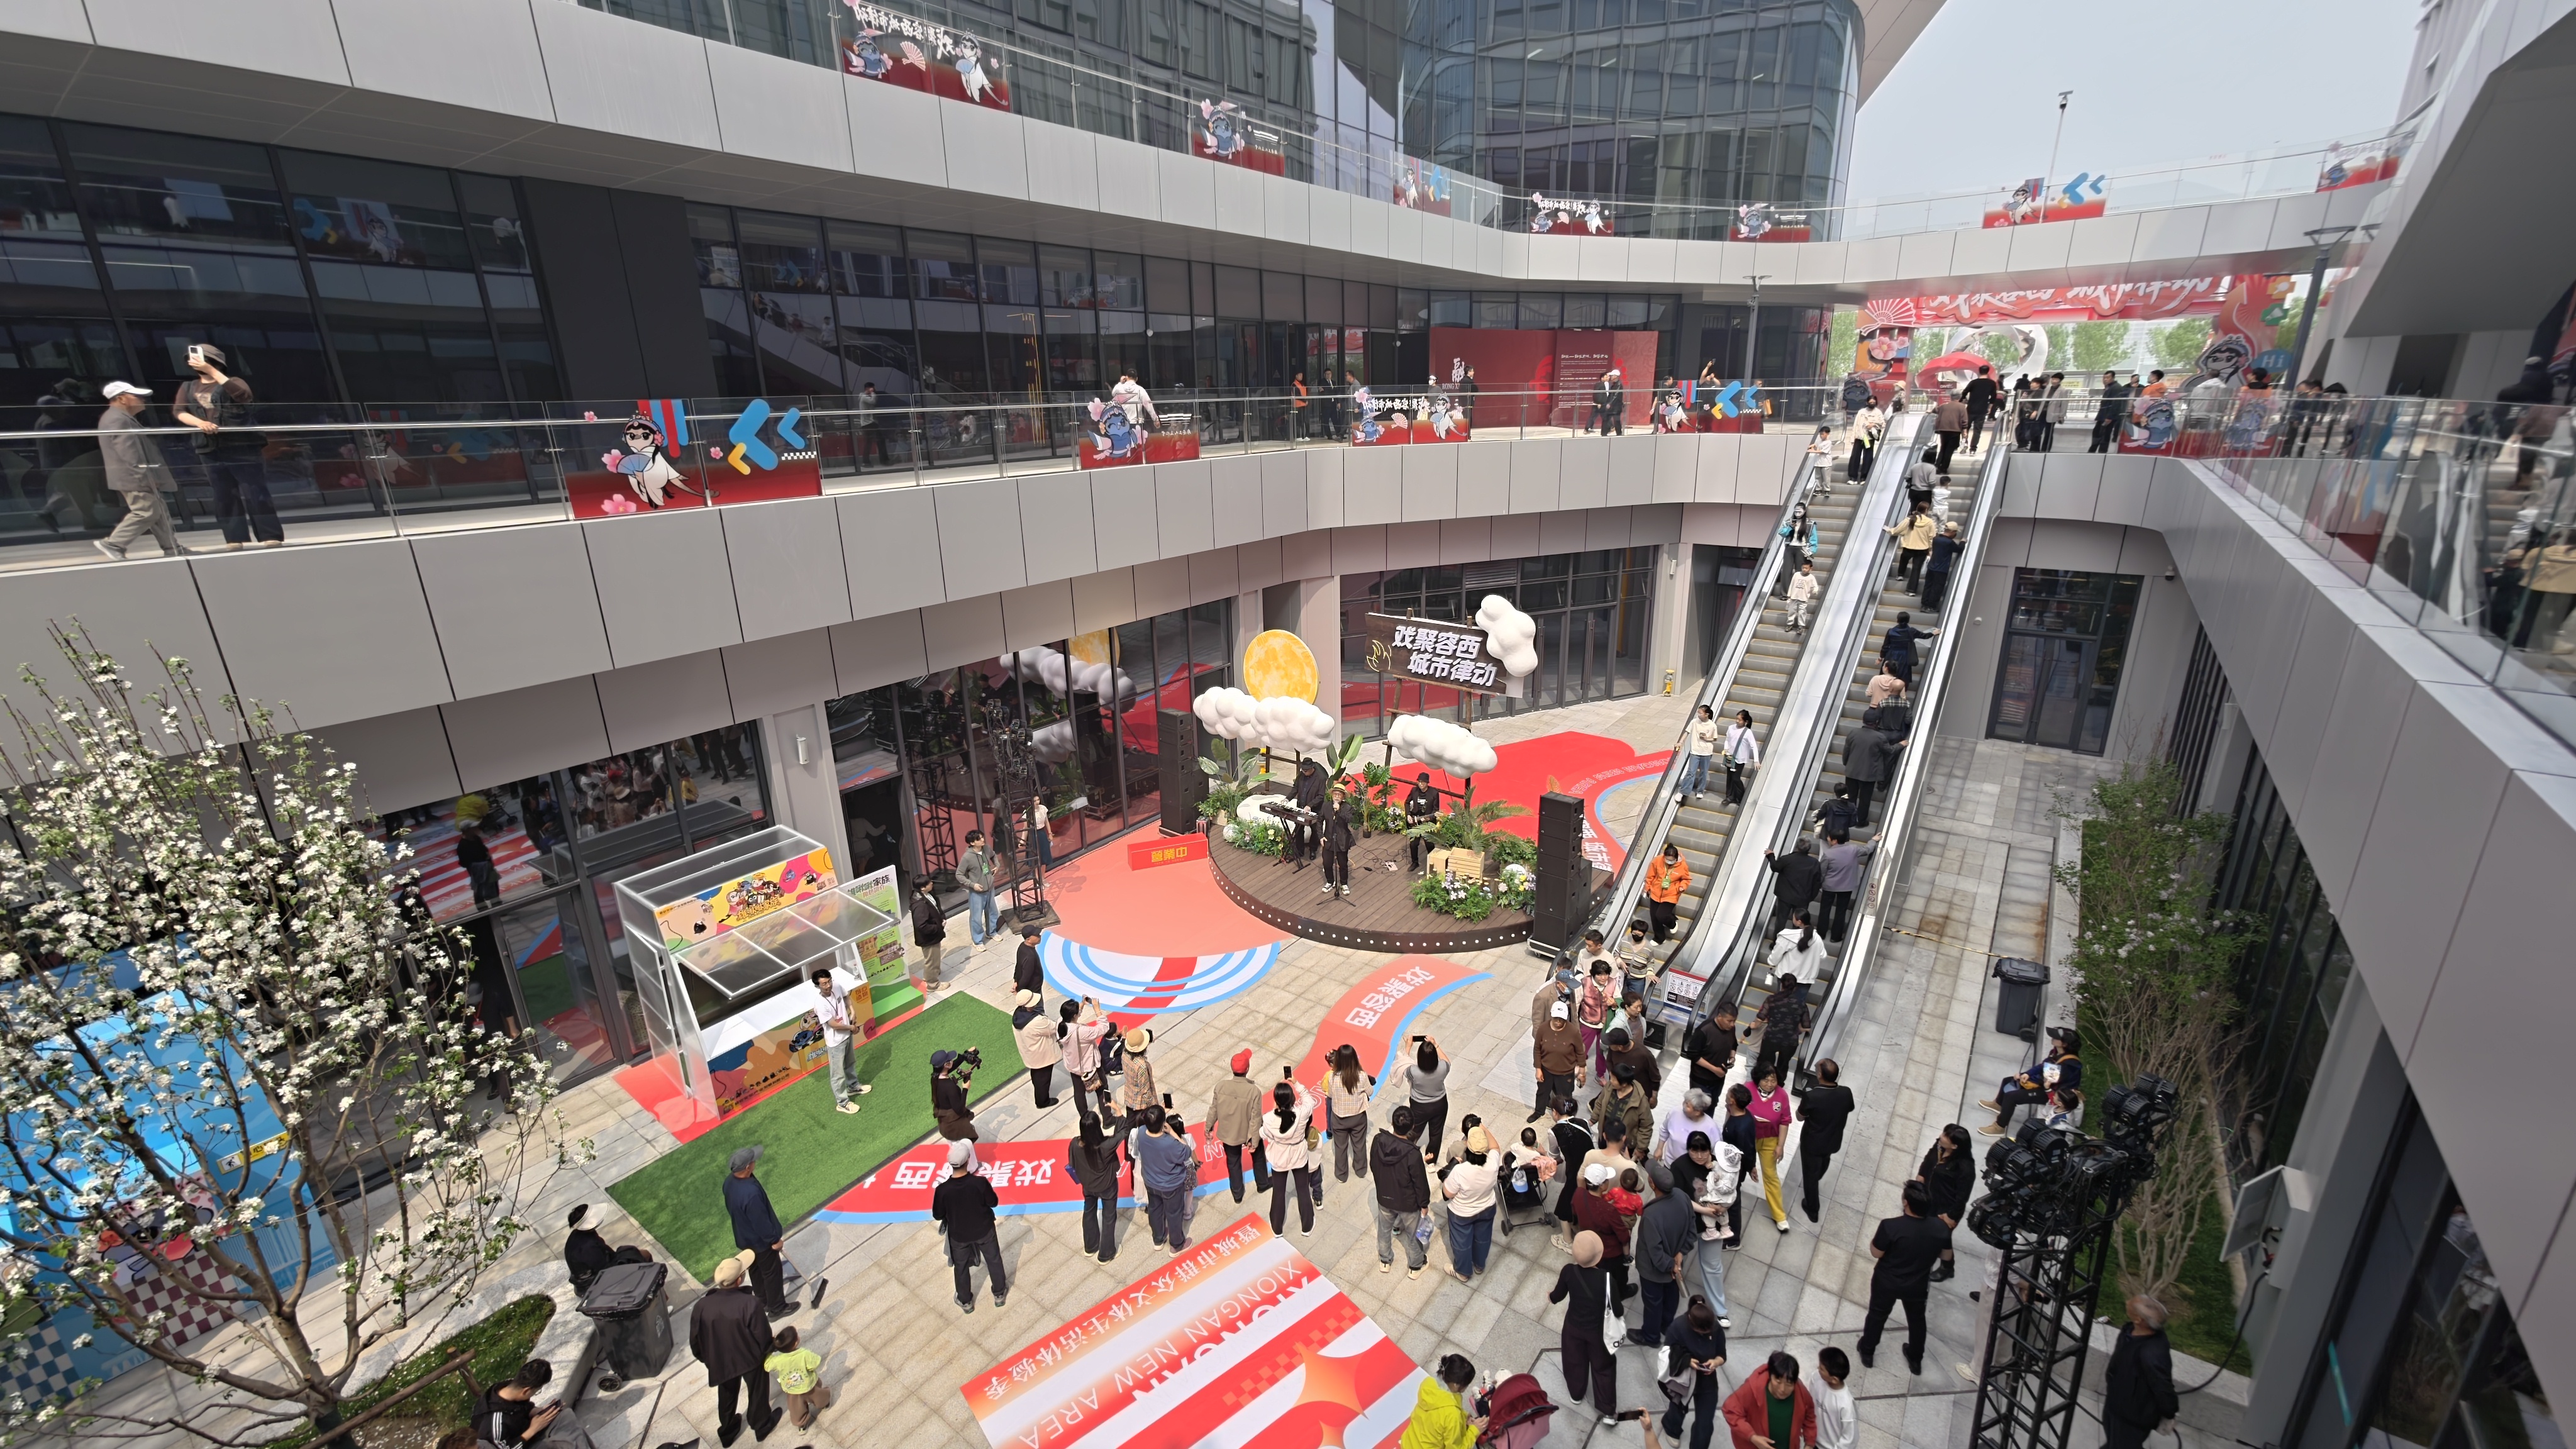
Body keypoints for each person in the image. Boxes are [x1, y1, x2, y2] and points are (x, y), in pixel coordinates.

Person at [170, 343, 281, 548]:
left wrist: (213, 372)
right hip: (210, 447)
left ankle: (269, 534)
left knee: (255, 490)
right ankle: (234, 538)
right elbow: (179, 411)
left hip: (242, 445)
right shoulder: (188, 387)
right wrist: (200, 423)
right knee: (223, 494)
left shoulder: (234, 382)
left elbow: (244, 397)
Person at [688, 1252, 780, 1443]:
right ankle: (761, 1425)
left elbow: (695, 1341)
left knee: (727, 1394)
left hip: (720, 1361)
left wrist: (707, 1360)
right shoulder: (750, 1303)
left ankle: (728, 1431)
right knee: (757, 1391)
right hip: (750, 1359)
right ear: (739, 1280)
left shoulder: (702, 1306)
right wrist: (770, 1348)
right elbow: (763, 1336)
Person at [1859, 1180, 1950, 1372]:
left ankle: (1868, 1351)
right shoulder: (1941, 1228)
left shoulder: (1891, 1226)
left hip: (1887, 1282)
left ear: (1906, 1203)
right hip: (1917, 1284)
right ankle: (1915, 1359)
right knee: (1917, 1320)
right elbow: (1946, 1256)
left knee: (1877, 1315)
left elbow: (1876, 1253)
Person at [93, 382, 187, 560]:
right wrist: (144, 476)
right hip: (134, 477)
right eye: (137, 396)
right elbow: (129, 453)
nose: (143, 400)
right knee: (146, 512)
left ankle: (172, 548)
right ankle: (114, 543)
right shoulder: (118, 419)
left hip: (135, 475)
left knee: (158, 512)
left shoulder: (119, 417)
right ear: (122, 399)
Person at [933, 1139, 1008, 1311]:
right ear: (968, 1161)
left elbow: (938, 1214)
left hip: (959, 1236)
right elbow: (993, 1202)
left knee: (961, 1267)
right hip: (985, 1230)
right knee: (994, 1260)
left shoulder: (943, 1190)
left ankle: (965, 1301)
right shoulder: (979, 1183)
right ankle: (999, 1294)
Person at [1631, 1162, 1697, 1347]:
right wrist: (1681, 1255)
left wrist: (1671, 1266)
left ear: (1652, 1184)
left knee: (1653, 1303)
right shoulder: (1683, 1197)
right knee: (1671, 1296)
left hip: (1654, 1272)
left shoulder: (1651, 1215)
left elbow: (1656, 1254)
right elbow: (1692, 1231)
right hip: (1676, 1266)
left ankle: (1651, 1337)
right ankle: (1666, 1326)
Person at [1552, 1230, 1617, 1416]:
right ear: (1598, 1256)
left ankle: (1576, 1394)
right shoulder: (1606, 1278)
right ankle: (1607, 1409)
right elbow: (1617, 1309)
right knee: (1603, 1367)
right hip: (1598, 1331)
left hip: (1573, 1327)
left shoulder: (1568, 1271)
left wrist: (1550, 1296)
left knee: (1574, 1361)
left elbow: (1557, 1296)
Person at [2102, 1296, 2180, 1449]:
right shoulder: (2130, 1330)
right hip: (2115, 1403)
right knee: (2114, 1441)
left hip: (2131, 1417)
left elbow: (2163, 1387)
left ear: (2139, 1320)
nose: (2127, 1302)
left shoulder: (2152, 1355)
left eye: (2131, 1305)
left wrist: (2169, 1413)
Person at [723, 1146, 791, 1319]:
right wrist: (774, 1240)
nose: (755, 1162)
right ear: (747, 1167)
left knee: (755, 1270)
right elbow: (760, 1221)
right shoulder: (751, 1194)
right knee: (771, 1273)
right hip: (761, 1242)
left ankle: (762, 1301)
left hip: (744, 1238)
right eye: (753, 1161)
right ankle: (777, 1308)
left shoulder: (729, 1183)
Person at [1660, 1296, 1731, 1449]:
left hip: (1707, 1381)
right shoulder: (1678, 1327)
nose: (1705, 1333)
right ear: (1691, 1322)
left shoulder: (1715, 1327)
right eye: (1701, 1331)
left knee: (1705, 1424)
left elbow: (1722, 1355)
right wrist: (1687, 1361)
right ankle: (1671, 1427)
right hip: (1684, 1378)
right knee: (1678, 1408)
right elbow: (1668, 1352)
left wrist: (1716, 1362)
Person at [1980, 1025, 2080, 1134]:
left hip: (2052, 1094)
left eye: (2056, 1037)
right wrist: (2027, 1074)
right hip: (2046, 1084)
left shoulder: (2068, 1065)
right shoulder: (2057, 1052)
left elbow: (2047, 1081)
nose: (2052, 1038)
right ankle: (1999, 1105)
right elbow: (2044, 1066)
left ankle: (1999, 1127)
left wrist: (2029, 1079)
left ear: (2064, 1044)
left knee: (2011, 1097)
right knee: (2008, 1081)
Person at [1373, 1105, 1433, 1275]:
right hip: (1407, 1203)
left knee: (1384, 1231)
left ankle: (1385, 1260)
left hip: (1385, 1197)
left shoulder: (1378, 1140)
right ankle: (1416, 1265)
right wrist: (1424, 1204)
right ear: (1412, 1126)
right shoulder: (1412, 1153)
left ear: (1393, 1123)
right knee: (1413, 1235)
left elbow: (1374, 1165)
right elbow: (1420, 1183)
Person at [1794, 1059, 1855, 1223]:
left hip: (1812, 1143)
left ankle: (1812, 1209)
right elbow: (1849, 1108)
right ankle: (1818, 1174)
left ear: (1820, 1075)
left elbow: (1800, 1117)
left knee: (1810, 1176)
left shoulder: (1812, 1096)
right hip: (1833, 1140)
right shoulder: (1846, 1092)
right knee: (1825, 1160)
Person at [1572, 1161, 1635, 1319]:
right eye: (1606, 1180)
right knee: (1618, 1277)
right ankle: (1621, 1293)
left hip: (1590, 1247)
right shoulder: (1608, 1210)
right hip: (1610, 1253)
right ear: (1602, 1186)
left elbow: (1575, 1213)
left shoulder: (1579, 1194)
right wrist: (1627, 1256)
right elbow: (1623, 1237)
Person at [1205, 1047, 1269, 1201]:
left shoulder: (1221, 1086)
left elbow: (1213, 1109)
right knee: (1259, 1157)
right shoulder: (1254, 1091)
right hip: (1248, 1133)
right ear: (1247, 1069)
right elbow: (1255, 1119)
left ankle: (1237, 1194)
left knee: (1233, 1163)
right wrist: (1254, 1142)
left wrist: (1208, 1127)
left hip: (1229, 1134)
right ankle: (1262, 1184)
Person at [1255, 1080, 1316, 1238]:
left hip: (1279, 1158)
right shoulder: (1302, 1113)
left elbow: (1263, 1133)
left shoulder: (1268, 1118)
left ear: (1276, 1100)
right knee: (1303, 1190)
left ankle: (1277, 1228)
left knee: (1278, 1192)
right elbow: (1309, 1100)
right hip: (1299, 1156)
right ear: (1292, 1099)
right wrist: (1297, 1083)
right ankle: (1307, 1226)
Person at [1439, 1124, 1501, 1280]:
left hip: (1462, 1213)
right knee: (1483, 1238)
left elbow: (1447, 1193)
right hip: (1487, 1207)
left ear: (1468, 1148)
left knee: (1462, 1243)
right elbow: (1495, 1147)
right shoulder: (1493, 1162)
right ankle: (1479, 1265)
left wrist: (1446, 1178)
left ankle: (1463, 1272)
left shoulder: (1460, 1171)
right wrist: (1483, 1128)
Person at [1915, 1124, 1975, 1281]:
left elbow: (1962, 1197)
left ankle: (1947, 1267)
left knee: (1942, 1239)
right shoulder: (1940, 1146)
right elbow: (1929, 1158)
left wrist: (1951, 1216)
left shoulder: (1965, 1168)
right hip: (1930, 1198)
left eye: (1946, 1137)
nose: (1941, 1137)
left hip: (1945, 1209)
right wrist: (1922, 1174)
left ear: (1955, 1146)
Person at [1722, 1352, 1818, 1449]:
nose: (1782, 1389)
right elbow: (1730, 1411)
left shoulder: (1801, 1393)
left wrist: (1809, 1444)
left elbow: (1809, 1418)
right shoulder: (1753, 1389)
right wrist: (1753, 1437)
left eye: (1789, 1384)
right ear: (1770, 1375)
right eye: (1778, 1382)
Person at [809, 967, 871, 1114]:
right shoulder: (820, 1004)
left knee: (850, 1063)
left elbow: (846, 997)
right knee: (837, 1075)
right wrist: (851, 1027)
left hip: (847, 1035)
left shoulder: (836, 986)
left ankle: (853, 1086)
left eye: (829, 981)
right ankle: (842, 1103)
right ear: (818, 986)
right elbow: (833, 1024)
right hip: (835, 1042)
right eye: (824, 984)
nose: (828, 985)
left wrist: (853, 1011)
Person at [1068, 1111, 1123, 1262]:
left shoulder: (1074, 1144)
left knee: (1089, 1211)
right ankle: (1106, 1253)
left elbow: (1072, 1165)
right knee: (1109, 1217)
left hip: (1088, 1186)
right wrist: (1119, 1114)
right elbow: (1123, 1133)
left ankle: (1090, 1247)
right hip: (1107, 1186)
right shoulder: (1105, 1146)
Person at [1399, 1353, 1485, 1449]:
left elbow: (1440, 1412)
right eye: (1467, 1384)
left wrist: (1463, 1416)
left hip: (1408, 1443)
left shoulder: (1429, 1383)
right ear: (1456, 1385)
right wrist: (1475, 1430)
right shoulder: (1452, 1414)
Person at [475, 1360, 569, 1448]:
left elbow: (522, 1406)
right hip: (522, 1443)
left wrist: (539, 1411)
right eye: (536, 1391)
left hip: (526, 1430)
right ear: (526, 1391)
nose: (534, 1395)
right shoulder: (495, 1423)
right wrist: (533, 1429)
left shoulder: (509, 1388)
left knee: (565, 1416)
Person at [1745, 1069, 1793, 1231]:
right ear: (1758, 1079)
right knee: (1737, 1169)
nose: (1770, 1084)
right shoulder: (1747, 1088)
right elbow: (1734, 1108)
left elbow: (1785, 1121)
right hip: (1748, 1137)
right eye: (1766, 1080)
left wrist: (1780, 1146)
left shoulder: (1782, 1095)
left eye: (1773, 1081)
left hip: (1770, 1140)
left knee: (1771, 1176)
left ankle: (1779, 1216)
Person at [1319, 1044, 1375, 1182]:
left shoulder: (1333, 1077)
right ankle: (1361, 1170)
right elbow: (1370, 1092)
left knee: (1340, 1148)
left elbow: (1330, 1095)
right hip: (1358, 1117)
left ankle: (1341, 1175)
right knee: (1359, 1145)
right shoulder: (1362, 1076)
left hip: (1339, 1119)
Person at [1548, 1096, 1596, 1246]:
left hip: (1575, 1174)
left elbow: (1554, 1155)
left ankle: (1567, 1241)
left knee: (1564, 1207)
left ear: (1555, 1113)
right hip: (1592, 1170)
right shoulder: (1584, 1123)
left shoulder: (1554, 1132)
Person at [767, 1324, 833, 1431]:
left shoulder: (778, 1360)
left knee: (796, 1409)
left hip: (792, 1390)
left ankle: (802, 1424)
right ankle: (825, 1404)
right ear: (796, 1343)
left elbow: (767, 1365)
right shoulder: (804, 1354)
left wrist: (768, 1352)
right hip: (809, 1385)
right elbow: (816, 1362)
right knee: (819, 1396)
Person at [1816, 831, 1879, 945]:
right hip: (1846, 887)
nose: (1828, 838)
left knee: (1825, 910)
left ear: (1835, 841)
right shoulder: (1853, 849)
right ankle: (1836, 936)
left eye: (1829, 837)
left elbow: (1822, 872)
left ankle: (1821, 934)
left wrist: (1819, 885)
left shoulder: (1828, 854)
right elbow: (1867, 850)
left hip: (1829, 887)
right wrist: (1873, 840)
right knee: (1841, 911)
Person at [1841, 710, 1899, 828]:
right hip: (1869, 774)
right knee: (1865, 799)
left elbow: (1846, 751)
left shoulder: (1853, 733)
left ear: (1863, 720)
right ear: (1877, 722)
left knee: (1851, 796)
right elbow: (1890, 751)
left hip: (1852, 771)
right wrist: (1901, 745)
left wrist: (1847, 763)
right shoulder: (1879, 737)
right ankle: (1861, 821)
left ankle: (1849, 819)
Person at [1532, 999, 1586, 1123]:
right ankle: (1539, 1111)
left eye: (1561, 1019)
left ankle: (1565, 1118)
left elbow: (1580, 1052)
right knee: (1542, 1092)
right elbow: (1537, 1049)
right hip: (1546, 1070)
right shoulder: (1543, 1028)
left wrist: (1582, 1072)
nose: (1558, 1021)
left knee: (1565, 1097)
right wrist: (1538, 1069)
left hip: (1565, 1072)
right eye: (1556, 1018)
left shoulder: (1573, 1032)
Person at [1060, 998, 1113, 1119]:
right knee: (1103, 1090)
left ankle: (1084, 1118)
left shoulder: (1061, 1025)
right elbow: (1104, 1028)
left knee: (1079, 1093)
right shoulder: (1082, 1031)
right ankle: (1108, 1118)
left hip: (1074, 1066)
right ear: (1074, 1015)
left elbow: (1073, 1015)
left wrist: (1082, 1004)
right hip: (1090, 1066)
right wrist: (1097, 1010)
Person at [1760, 838, 1823, 936]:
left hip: (1785, 897)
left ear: (1797, 847)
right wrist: (1811, 897)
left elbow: (1775, 867)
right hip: (1803, 898)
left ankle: (1777, 941)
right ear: (1809, 849)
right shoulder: (1814, 863)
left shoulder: (1788, 859)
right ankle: (1794, 941)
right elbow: (1818, 882)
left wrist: (1771, 856)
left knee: (1781, 920)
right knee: (1799, 922)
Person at [1404, 1034, 1452, 1163]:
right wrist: (1435, 1045)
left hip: (1419, 1106)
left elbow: (1402, 1064)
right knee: (1436, 1134)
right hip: (1440, 1104)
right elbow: (1447, 1061)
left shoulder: (1413, 1071)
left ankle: (1406, 1155)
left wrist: (1408, 1047)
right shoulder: (1443, 1067)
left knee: (1413, 1132)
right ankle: (1431, 1161)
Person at [1012, 989, 1060, 1110]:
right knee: (1044, 1078)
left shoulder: (1018, 1016)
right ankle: (1043, 1101)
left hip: (1030, 1053)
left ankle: (1040, 1095)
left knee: (1036, 1074)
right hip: (1042, 1054)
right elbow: (1054, 1028)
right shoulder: (1037, 1021)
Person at [958, 830, 999, 947]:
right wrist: (972, 885)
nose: (982, 840)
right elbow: (959, 875)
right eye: (979, 839)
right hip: (977, 892)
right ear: (972, 843)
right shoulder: (967, 858)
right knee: (976, 918)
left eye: (982, 837)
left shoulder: (986, 849)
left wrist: (997, 865)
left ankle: (992, 932)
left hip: (990, 888)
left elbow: (994, 855)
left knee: (993, 912)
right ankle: (978, 941)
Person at [1644, 843, 1690, 945]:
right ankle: (1659, 938)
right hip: (1656, 892)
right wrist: (1647, 888)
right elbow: (1650, 876)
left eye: (1671, 860)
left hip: (1671, 894)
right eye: (1667, 859)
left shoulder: (1682, 866)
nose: (1669, 862)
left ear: (1676, 858)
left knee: (1661, 915)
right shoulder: (1657, 861)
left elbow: (1686, 879)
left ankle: (1672, 923)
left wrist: (1682, 886)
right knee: (1654, 917)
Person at [1886, 504, 1936, 597]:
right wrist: (1930, 549)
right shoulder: (1930, 522)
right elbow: (1931, 537)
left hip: (1908, 546)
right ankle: (1911, 590)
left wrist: (1889, 530)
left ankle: (1900, 574)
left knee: (1904, 559)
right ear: (1926, 510)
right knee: (1916, 570)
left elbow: (1897, 530)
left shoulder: (1909, 520)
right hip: (1922, 549)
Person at [1812, 1346, 1856, 1449]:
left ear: (1834, 1380)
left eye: (1822, 1369)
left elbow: (1849, 1439)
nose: (1818, 1369)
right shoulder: (1816, 1377)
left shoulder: (1846, 1405)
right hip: (1813, 1440)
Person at [908, 879, 947, 995]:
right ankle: (932, 984)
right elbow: (922, 926)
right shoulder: (920, 905)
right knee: (932, 960)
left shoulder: (928, 895)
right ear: (922, 888)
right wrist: (937, 927)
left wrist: (942, 918)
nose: (932, 883)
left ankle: (932, 974)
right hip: (929, 938)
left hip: (934, 935)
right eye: (929, 883)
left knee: (935, 958)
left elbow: (937, 908)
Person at [1319, 784, 1358, 899]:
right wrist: (1320, 836)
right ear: (1332, 795)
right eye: (1335, 794)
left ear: (1343, 797)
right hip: (1328, 839)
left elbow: (1349, 819)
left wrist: (1339, 810)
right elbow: (1319, 821)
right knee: (1327, 863)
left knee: (1343, 864)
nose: (1337, 796)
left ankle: (1344, 884)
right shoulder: (1326, 806)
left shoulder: (1347, 808)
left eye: (1339, 795)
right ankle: (1330, 882)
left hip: (1342, 840)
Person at [1717, 708, 1761, 806]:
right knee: (1730, 778)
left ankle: (1741, 797)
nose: (1737, 721)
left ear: (1746, 721)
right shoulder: (1731, 728)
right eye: (1737, 719)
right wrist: (1726, 750)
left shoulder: (1748, 732)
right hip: (1730, 757)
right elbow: (1727, 740)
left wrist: (1756, 761)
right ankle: (1730, 797)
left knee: (1736, 778)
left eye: (1740, 720)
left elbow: (1754, 746)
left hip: (1740, 759)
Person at [1679, 704, 1721, 798]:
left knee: (1703, 772)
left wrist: (1706, 739)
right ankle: (1684, 791)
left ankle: (1700, 791)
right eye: (1698, 713)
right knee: (1691, 772)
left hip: (1706, 752)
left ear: (1706, 715)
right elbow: (1687, 732)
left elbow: (1715, 738)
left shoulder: (1712, 726)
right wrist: (1680, 742)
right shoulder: (1694, 722)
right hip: (1695, 751)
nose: (1698, 715)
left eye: (1700, 713)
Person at [1921, 521, 1962, 613]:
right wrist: (1963, 542)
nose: (1955, 534)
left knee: (1928, 586)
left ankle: (1924, 604)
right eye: (1955, 532)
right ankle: (1931, 606)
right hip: (1941, 570)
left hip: (1931, 567)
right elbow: (1959, 549)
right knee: (1937, 588)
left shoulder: (1936, 539)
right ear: (1952, 532)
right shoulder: (1949, 543)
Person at [1117, 1027, 1158, 1117]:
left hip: (1130, 1098)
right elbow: (1145, 1091)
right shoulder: (1141, 1065)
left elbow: (1135, 1050)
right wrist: (1154, 1106)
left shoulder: (1125, 1053)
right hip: (1141, 1105)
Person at [1405, 770, 1441, 872]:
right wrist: (1408, 815)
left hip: (1428, 823)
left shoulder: (1434, 793)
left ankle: (1434, 862)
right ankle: (1415, 862)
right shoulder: (1414, 791)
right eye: (1419, 782)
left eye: (1423, 782)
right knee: (1413, 844)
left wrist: (1429, 818)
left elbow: (1436, 810)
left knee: (1429, 843)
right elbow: (1407, 803)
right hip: (1416, 821)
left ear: (1427, 783)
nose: (1420, 784)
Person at [2091, 370, 2131, 453]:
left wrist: (2110, 417)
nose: (2105, 380)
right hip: (2103, 415)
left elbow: (2116, 403)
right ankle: (2093, 450)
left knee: (2104, 434)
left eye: (2108, 378)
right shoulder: (2109, 387)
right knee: (2097, 433)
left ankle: (2101, 452)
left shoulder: (2116, 388)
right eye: (2104, 378)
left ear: (2113, 378)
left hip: (2108, 416)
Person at [1963, 364, 1999, 453]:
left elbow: (1965, 392)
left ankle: (1964, 444)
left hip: (1970, 409)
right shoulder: (1991, 383)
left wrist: (1964, 400)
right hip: (1982, 410)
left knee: (1965, 428)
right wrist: (1990, 407)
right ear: (1988, 372)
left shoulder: (1973, 383)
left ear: (1979, 372)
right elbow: (1994, 397)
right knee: (1977, 430)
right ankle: (1973, 449)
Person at [1931, 392, 1967, 475]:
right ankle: (1944, 468)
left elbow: (1935, 410)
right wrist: (1965, 430)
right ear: (1960, 398)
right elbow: (1964, 420)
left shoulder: (1944, 406)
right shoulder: (1962, 407)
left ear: (1951, 397)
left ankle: (1937, 465)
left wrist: (1930, 411)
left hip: (1943, 429)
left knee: (1943, 448)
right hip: (1955, 430)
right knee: (1949, 450)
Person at [1785, 558, 1821, 633]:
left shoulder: (1811, 577)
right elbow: (1792, 585)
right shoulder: (1796, 574)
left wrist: (1815, 591)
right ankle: (1789, 624)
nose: (1804, 570)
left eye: (1806, 568)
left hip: (1803, 598)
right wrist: (1789, 596)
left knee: (1802, 612)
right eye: (1803, 568)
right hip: (1794, 597)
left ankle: (1801, 626)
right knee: (1791, 611)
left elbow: (1815, 586)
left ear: (1811, 568)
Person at [1012, 924, 1044, 998]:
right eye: (1036, 935)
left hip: (1031, 990)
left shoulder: (1022, 946)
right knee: (1037, 1005)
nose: (1039, 936)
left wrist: (1016, 981)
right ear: (1029, 940)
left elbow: (1018, 965)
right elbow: (1026, 977)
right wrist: (1019, 990)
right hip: (1033, 992)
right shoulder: (1030, 957)